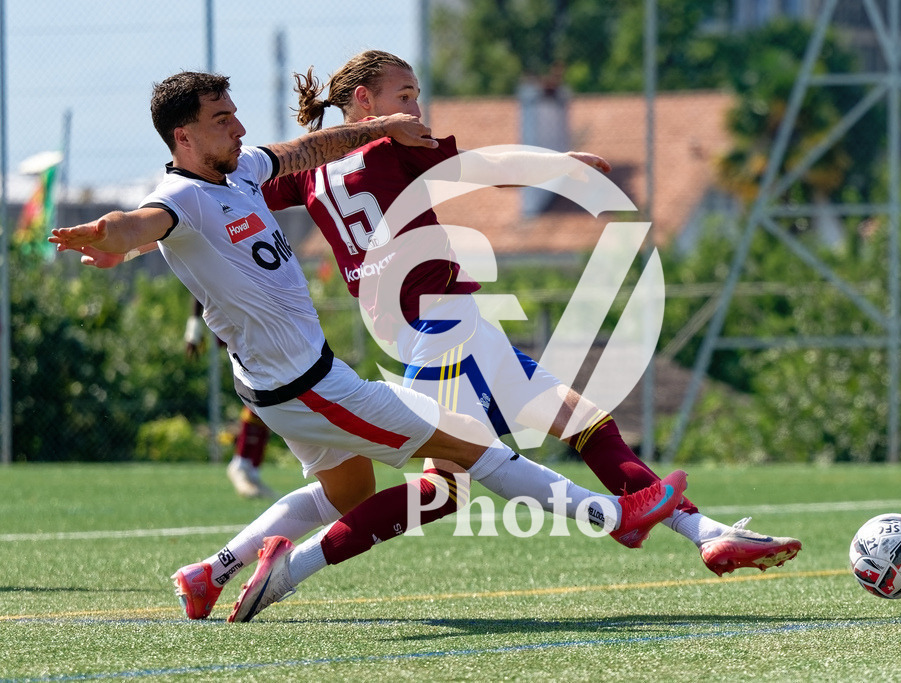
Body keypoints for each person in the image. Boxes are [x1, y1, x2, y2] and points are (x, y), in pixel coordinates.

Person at [50, 70, 688, 623]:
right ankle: (616, 517)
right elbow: (142, 222)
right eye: (222, 120)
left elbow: (308, 148)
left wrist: (381, 124)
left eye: (236, 114)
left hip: (284, 383)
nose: (239, 128)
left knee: (348, 490)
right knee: (471, 448)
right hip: (311, 388)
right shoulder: (180, 196)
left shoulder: (239, 171)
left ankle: (208, 574)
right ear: (181, 138)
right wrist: (113, 236)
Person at [261, 50, 802, 574]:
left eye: (417, 96)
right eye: (405, 95)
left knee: (582, 420)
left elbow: (248, 183)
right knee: (441, 490)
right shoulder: (391, 144)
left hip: (446, 325)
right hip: (442, 327)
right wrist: (556, 165)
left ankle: (707, 535)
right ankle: (290, 568)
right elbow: (481, 166)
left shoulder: (309, 174)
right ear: (364, 99)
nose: (417, 109)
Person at [185, 297, 275, 498]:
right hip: (239, 317)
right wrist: (193, 327)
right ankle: (242, 463)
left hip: (258, 314)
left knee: (273, 390)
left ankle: (251, 468)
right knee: (264, 387)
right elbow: (197, 275)